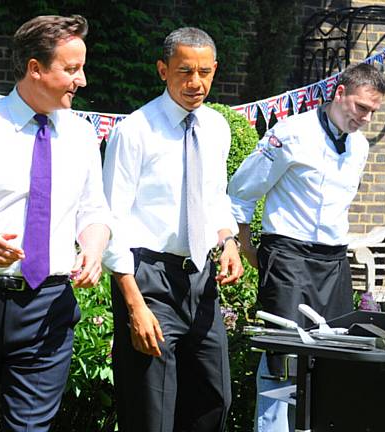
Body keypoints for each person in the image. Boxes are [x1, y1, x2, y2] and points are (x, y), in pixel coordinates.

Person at [0, 15, 111, 431]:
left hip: (48, 306)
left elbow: (94, 211)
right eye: (72, 69)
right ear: (35, 68)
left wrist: (94, 249)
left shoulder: (82, 136)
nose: (81, 80)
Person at [228, 63, 385, 432]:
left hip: (333, 259)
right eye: (360, 108)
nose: (365, 118)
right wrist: (246, 244)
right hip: (287, 254)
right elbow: (242, 190)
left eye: (372, 112)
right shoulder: (291, 133)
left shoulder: (360, 146)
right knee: (281, 358)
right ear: (340, 93)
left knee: (333, 354)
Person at [102, 27, 243, 432]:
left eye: (204, 72)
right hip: (148, 278)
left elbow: (214, 196)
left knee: (215, 398)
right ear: (163, 70)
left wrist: (228, 239)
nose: (195, 83)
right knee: (151, 411)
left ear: (215, 70)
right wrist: (133, 304)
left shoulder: (216, 126)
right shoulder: (135, 131)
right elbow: (113, 219)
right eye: (184, 72)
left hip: (200, 280)